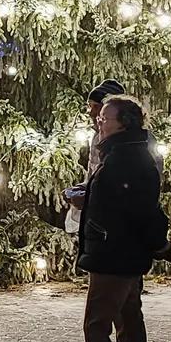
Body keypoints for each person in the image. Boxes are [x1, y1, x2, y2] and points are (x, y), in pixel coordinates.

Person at [73, 94, 167, 342]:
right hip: (126, 256)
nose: (99, 122)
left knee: (96, 329)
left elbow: (139, 210)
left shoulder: (122, 159)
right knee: (130, 326)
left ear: (124, 123)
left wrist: (158, 242)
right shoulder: (129, 153)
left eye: (105, 119)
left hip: (113, 257)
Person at [65, 79, 126, 234]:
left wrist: (89, 200)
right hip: (97, 226)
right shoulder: (97, 138)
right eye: (89, 106)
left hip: (119, 231)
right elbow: (96, 177)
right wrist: (83, 188)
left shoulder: (133, 145)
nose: (90, 112)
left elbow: (130, 194)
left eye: (96, 107)